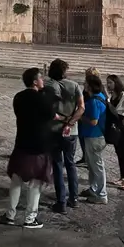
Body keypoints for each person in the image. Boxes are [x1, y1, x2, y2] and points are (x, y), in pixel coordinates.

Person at [0, 68, 54, 229]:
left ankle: (10, 215)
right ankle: (30, 218)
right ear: (35, 82)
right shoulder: (42, 99)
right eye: (41, 78)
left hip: (21, 143)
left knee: (16, 181)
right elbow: (51, 114)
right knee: (36, 184)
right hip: (38, 146)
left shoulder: (19, 97)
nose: (43, 80)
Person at [43, 58, 84, 214]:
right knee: (70, 163)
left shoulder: (48, 86)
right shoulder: (74, 86)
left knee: (57, 165)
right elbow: (81, 108)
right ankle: (74, 198)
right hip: (71, 132)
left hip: (54, 130)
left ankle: (61, 202)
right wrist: (70, 123)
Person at [80, 74, 107, 204]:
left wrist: (80, 117)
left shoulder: (94, 101)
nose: (84, 85)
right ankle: (94, 188)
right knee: (92, 165)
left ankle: (101, 194)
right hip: (94, 136)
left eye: (86, 83)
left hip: (94, 136)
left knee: (97, 166)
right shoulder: (100, 96)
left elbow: (94, 121)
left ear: (90, 86)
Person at [76, 67, 101, 167]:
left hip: (90, 117)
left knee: (87, 139)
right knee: (82, 137)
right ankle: (85, 157)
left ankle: (88, 158)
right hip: (86, 114)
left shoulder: (95, 91)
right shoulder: (89, 88)